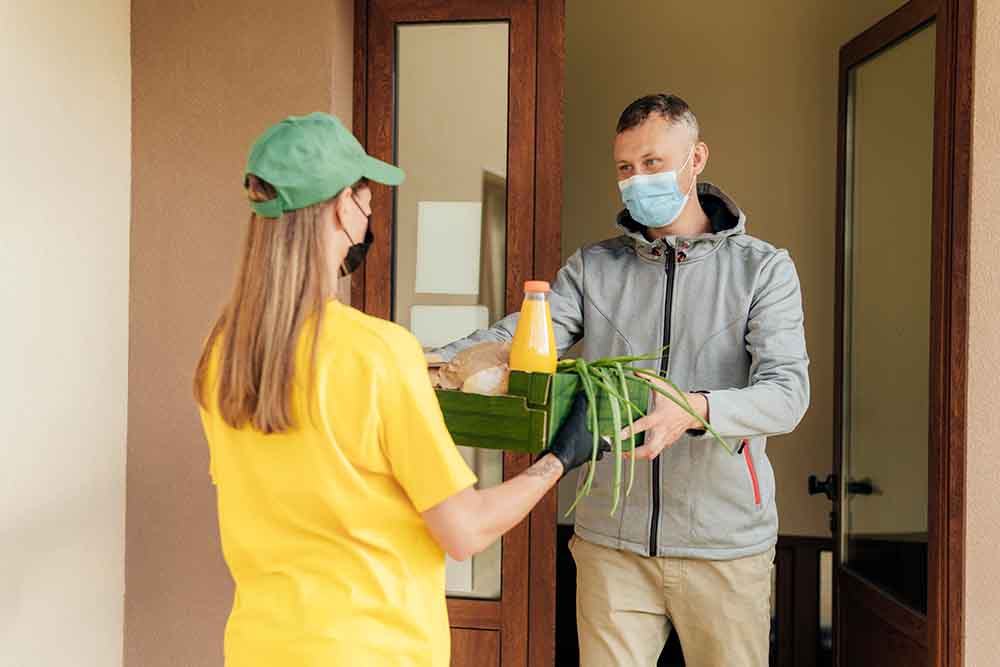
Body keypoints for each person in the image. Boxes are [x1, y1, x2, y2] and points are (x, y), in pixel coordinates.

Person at [192, 112, 597, 667]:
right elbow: (465, 529)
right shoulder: (377, 353)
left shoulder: (224, 357)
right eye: (365, 197)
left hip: (260, 648)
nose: (368, 211)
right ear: (341, 207)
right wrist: (560, 458)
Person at [433, 94, 810, 666]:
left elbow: (787, 395)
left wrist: (692, 408)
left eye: (653, 163)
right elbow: (525, 336)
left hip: (725, 547)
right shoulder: (593, 267)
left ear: (696, 158)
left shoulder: (763, 269)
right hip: (610, 544)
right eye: (625, 168)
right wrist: (431, 361)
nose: (637, 180)